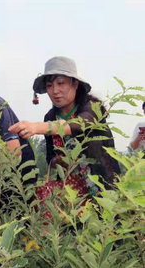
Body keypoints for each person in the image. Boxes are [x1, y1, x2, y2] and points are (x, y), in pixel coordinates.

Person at [9, 56, 120, 190]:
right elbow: (51, 157)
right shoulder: (50, 116)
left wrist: (37, 127)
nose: (55, 91)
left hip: (103, 188)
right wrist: (59, 160)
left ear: (75, 84)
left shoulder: (92, 107)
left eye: (61, 83)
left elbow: (78, 124)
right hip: (71, 195)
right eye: (50, 86)